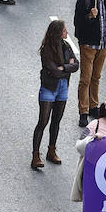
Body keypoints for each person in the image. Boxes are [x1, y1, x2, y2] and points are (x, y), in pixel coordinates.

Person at [32, 18, 78, 169]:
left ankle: (51, 151)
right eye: (64, 30)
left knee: (56, 121)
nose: (67, 32)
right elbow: (53, 71)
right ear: (58, 32)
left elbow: (76, 65)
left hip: (63, 87)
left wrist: (63, 68)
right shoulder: (47, 49)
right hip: (49, 88)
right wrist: (67, 66)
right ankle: (35, 155)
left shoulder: (66, 45)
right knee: (43, 121)